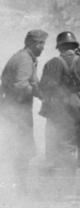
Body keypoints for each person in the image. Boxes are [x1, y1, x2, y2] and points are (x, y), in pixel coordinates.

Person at [39, 31, 80, 194]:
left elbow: (44, 87)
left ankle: (68, 188)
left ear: (59, 47)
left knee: (67, 148)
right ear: (75, 46)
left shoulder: (53, 63)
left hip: (65, 111)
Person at [0, 29, 48, 192]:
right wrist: (37, 92)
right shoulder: (25, 60)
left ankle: (16, 185)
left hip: (12, 109)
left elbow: (29, 82)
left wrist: (41, 94)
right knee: (21, 148)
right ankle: (20, 187)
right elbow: (21, 85)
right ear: (36, 44)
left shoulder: (22, 57)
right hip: (18, 111)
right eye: (42, 44)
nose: (43, 48)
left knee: (16, 147)